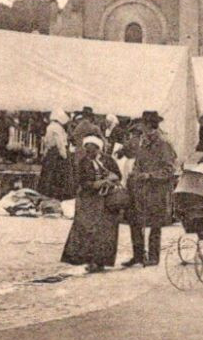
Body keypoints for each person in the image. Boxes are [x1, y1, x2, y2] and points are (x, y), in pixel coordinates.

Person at [60, 135, 123, 273]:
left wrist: (110, 180)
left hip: (107, 200)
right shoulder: (83, 162)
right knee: (88, 229)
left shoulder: (108, 160)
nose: (89, 154)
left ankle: (101, 261)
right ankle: (89, 260)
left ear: (98, 149)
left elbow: (119, 175)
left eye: (92, 151)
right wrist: (95, 184)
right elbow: (81, 181)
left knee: (106, 231)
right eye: (87, 151)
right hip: (89, 200)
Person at [122, 110, 177, 267]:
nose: (141, 128)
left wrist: (150, 175)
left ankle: (153, 256)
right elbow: (138, 163)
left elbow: (170, 169)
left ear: (149, 125)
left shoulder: (164, 144)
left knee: (154, 224)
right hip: (141, 190)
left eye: (143, 124)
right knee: (134, 221)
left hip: (157, 190)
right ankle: (138, 256)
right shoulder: (143, 142)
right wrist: (136, 173)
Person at [39, 113, 75, 200]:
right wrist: (65, 156)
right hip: (57, 156)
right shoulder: (57, 128)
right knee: (58, 177)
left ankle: (48, 194)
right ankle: (60, 195)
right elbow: (60, 144)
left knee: (48, 176)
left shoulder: (50, 126)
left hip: (51, 154)